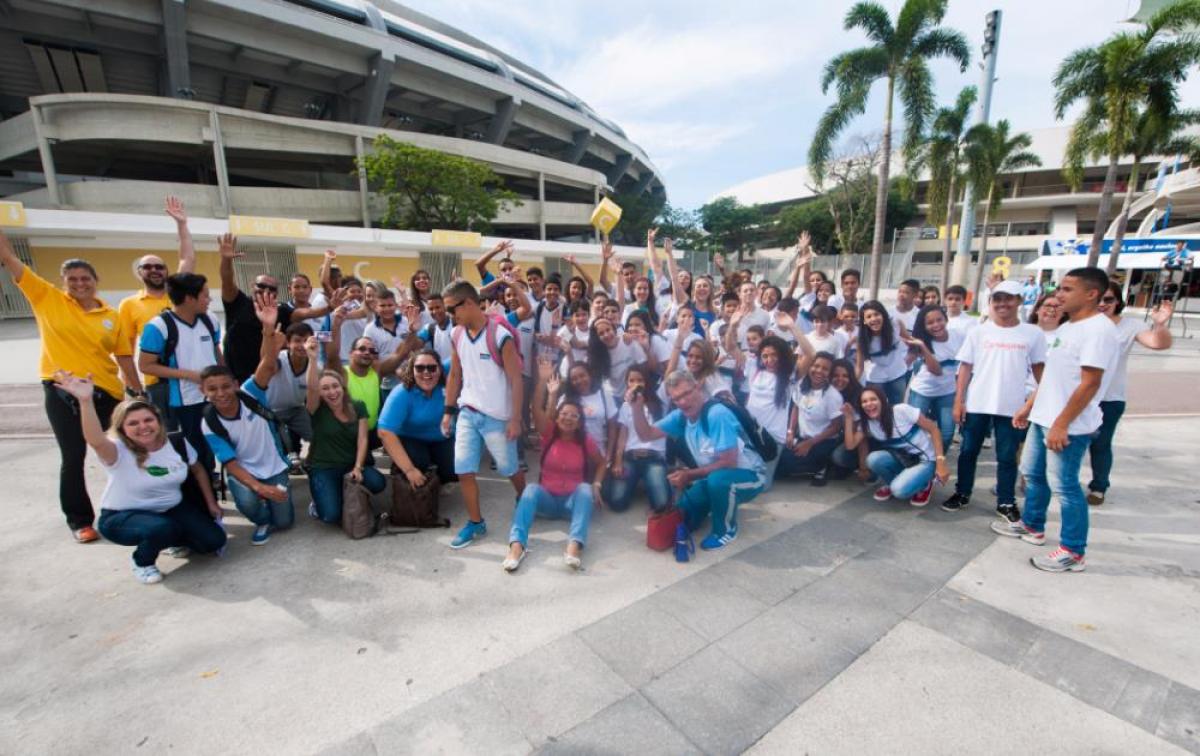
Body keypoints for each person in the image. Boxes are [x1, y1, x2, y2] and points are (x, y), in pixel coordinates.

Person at [1, 233, 141, 541]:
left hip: (108, 393)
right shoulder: (46, 298)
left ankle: (134, 507)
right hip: (64, 393)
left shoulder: (111, 315)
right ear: (64, 282)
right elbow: (10, 259)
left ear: (95, 280)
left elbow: (123, 357)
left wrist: (137, 390)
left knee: (126, 451)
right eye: (73, 279)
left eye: (85, 278)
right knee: (73, 456)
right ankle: (81, 522)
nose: (80, 283)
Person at [993, 268, 1119, 573]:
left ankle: (1073, 551)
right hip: (1044, 416)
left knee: (1065, 487)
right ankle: (1033, 526)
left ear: (1091, 294)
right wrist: (1029, 407)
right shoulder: (1069, 327)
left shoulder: (1098, 330)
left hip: (1069, 424)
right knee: (1033, 474)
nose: (1059, 294)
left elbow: (1089, 383)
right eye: (1059, 288)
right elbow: (1051, 377)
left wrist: (1062, 423)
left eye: (1066, 289)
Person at [55, 372, 225, 584]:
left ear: (158, 421)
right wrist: (85, 401)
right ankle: (142, 561)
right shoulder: (117, 450)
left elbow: (198, 469)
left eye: (148, 420)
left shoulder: (176, 442)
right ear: (122, 429)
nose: (143, 427)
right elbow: (95, 440)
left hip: (170, 510)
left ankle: (170, 538)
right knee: (161, 529)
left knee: (213, 541)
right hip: (123, 516)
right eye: (133, 423)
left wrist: (211, 504)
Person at [629, 371, 767, 550]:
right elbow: (646, 434)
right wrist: (636, 407)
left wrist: (689, 475)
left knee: (719, 481)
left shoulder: (716, 414)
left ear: (697, 388)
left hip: (750, 475)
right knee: (683, 515)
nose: (683, 402)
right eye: (677, 398)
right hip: (712, 477)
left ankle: (725, 530)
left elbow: (729, 463)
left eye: (686, 393)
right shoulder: (681, 416)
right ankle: (716, 506)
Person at [943, 280, 1047, 517]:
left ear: (1019, 301)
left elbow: (1041, 371)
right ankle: (962, 493)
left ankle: (1006, 501)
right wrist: (959, 401)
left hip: (1012, 407)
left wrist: (1035, 402)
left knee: (1007, 456)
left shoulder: (1033, 333)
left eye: (1008, 298)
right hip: (978, 403)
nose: (1002, 304)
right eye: (997, 299)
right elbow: (965, 368)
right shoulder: (979, 332)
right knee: (968, 452)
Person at [441, 281, 527, 548]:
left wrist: (514, 419)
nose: (449, 316)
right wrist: (448, 411)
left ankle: (525, 497)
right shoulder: (455, 334)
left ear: (467, 303)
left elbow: (516, 379)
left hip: (498, 417)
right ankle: (476, 522)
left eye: (451, 310)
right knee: (464, 470)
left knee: (508, 468)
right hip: (468, 412)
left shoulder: (500, 335)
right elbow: (455, 374)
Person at [503, 362, 607, 572]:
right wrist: (543, 382)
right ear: (557, 418)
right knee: (530, 488)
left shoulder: (585, 440)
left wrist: (596, 484)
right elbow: (535, 408)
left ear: (579, 422)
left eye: (573, 416)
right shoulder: (548, 434)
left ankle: (574, 545)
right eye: (564, 414)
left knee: (585, 489)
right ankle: (517, 546)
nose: (568, 418)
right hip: (547, 501)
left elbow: (602, 462)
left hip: (572, 504)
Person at [1086, 286, 1173, 506]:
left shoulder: (1130, 325)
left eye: (1109, 299)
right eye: (1099, 298)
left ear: (1118, 301)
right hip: (1078, 395)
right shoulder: (1081, 322)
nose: (1103, 304)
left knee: (1100, 444)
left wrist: (1160, 324)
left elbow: (1158, 343)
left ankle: (1098, 487)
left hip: (1109, 398)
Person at [117, 196, 197, 413]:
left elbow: (187, 257)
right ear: (139, 272)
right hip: (158, 384)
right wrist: (135, 388)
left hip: (191, 378)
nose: (154, 270)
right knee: (167, 435)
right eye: (148, 267)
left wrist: (182, 225)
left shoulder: (177, 294)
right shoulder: (129, 305)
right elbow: (124, 352)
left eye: (159, 267)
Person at [138, 271, 223, 475]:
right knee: (194, 448)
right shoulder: (158, 327)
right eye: (204, 295)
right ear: (189, 298)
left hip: (216, 396)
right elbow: (146, 365)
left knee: (216, 441)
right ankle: (201, 488)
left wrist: (225, 378)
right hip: (185, 401)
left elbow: (215, 351)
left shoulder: (210, 320)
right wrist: (189, 375)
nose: (209, 299)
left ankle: (212, 477)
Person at [200, 366, 293, 545]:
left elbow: (267, 362)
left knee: (284, 522)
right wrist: (259, 488)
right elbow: (231, 463)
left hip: (274, 466)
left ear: (235, 385)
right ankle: (262, 520)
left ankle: (268, 501)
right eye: (212, 389)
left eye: (226, 386)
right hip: (244, 471)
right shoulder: (208, 423)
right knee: (247, 503)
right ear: (202, 391)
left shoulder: (250, 393)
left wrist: (267, 336)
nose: (220, 393)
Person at [300, 337, 385, 524]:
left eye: (335, 386)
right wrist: (312, 359)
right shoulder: (316, 409)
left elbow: (363, 440)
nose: (332, 392)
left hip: (349, 465)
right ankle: (319, 499)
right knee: (331, 516)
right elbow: (312, 388)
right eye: (325, 389)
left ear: (342, 387)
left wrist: (358, 467)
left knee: (379, 482)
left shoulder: (357, 406)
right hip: (324, 467)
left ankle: (344, 490)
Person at [846, 386, 949, 506]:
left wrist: (941, 463)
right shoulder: (868, 424)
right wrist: (848, 418)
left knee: (899, 491)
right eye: (864, 401)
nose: (869, 404)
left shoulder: (901, 410)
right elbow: (850, 445)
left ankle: (925, 484)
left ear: (883, 401)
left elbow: (934, 429)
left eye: (873, 399)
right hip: (903, 459)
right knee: (872, 459)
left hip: (926, 460)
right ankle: (895, 482)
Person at [379, 349, 458, 489]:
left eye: (432, 368)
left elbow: (462, 351)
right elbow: (385, 432)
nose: (426, 372)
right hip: (411, 439)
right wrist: (409, 469)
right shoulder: (402, 393)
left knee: (455, 471)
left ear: (440, 369)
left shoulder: (447, 382)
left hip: (442, 438)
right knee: (418, 462)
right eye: (420, 368)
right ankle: (402, 468)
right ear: (411, 370)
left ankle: (436, 478)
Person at [217, 233, 279, 384]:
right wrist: (226, 260)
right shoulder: (237, 302)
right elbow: (227, 280)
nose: (266, 290)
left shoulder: (280, 312)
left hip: (264, 379)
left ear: (276, 293)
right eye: (261, 286)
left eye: (271, 288)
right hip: (235, 379)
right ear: (253, 286)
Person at [902, 304, 965, 454]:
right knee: (915, 428)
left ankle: (937, 459)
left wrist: (962, 397)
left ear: (946, 319)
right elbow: (936, 371)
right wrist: (923, 348)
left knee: (948, 432)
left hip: (948, 392)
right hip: (922, 391)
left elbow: (966, 364)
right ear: (924, 326)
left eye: (939, 320)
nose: (936, 325)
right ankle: (916, 458)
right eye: (930, 323)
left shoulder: (959, 335)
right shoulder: (922, 342)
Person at [610, 364, 671, 512]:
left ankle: (657, 482)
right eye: (631, 380)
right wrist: (618, 461)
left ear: (647, 382)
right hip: (631, 458)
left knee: (662, 505)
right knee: (616, 502)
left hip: (654, 459)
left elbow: (670, 372)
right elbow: (622, 437)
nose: (636, 384)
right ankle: (641, 484)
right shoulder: (626, 406)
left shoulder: (661, 401)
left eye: (640, 380)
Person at [779, 351, 845, 485]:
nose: (819, 371)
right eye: (816, 366)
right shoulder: (801, 384)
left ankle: (822, 466)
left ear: (830, 373)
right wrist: (790, 432)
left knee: (783, 467)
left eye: (825, 369)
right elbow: (796, 407)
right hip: (802, 437)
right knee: (778, 459)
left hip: (822, 441)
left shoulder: (833, 396)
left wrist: (810, 443)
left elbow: (836, 427)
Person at [856, 301, 908, 405]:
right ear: (864, 321)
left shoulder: (896, 324)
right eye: (869, 316)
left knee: (898, 408)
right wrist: (850, 385)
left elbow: (911, 341)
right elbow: (859, 367)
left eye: (876, 314)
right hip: (875, 379)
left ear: (883, 315)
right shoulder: (862, 339)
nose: (874, 319)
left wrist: (909, 359)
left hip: (898, 375)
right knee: (876, 409)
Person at [587, 316, 647, 397]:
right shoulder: (597, 354)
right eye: (601, 333)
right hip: (615, 396)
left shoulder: (628, 341)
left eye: (608, 330)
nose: (606, 335)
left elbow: (643, 364)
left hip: (636, 392)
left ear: (614, 329)